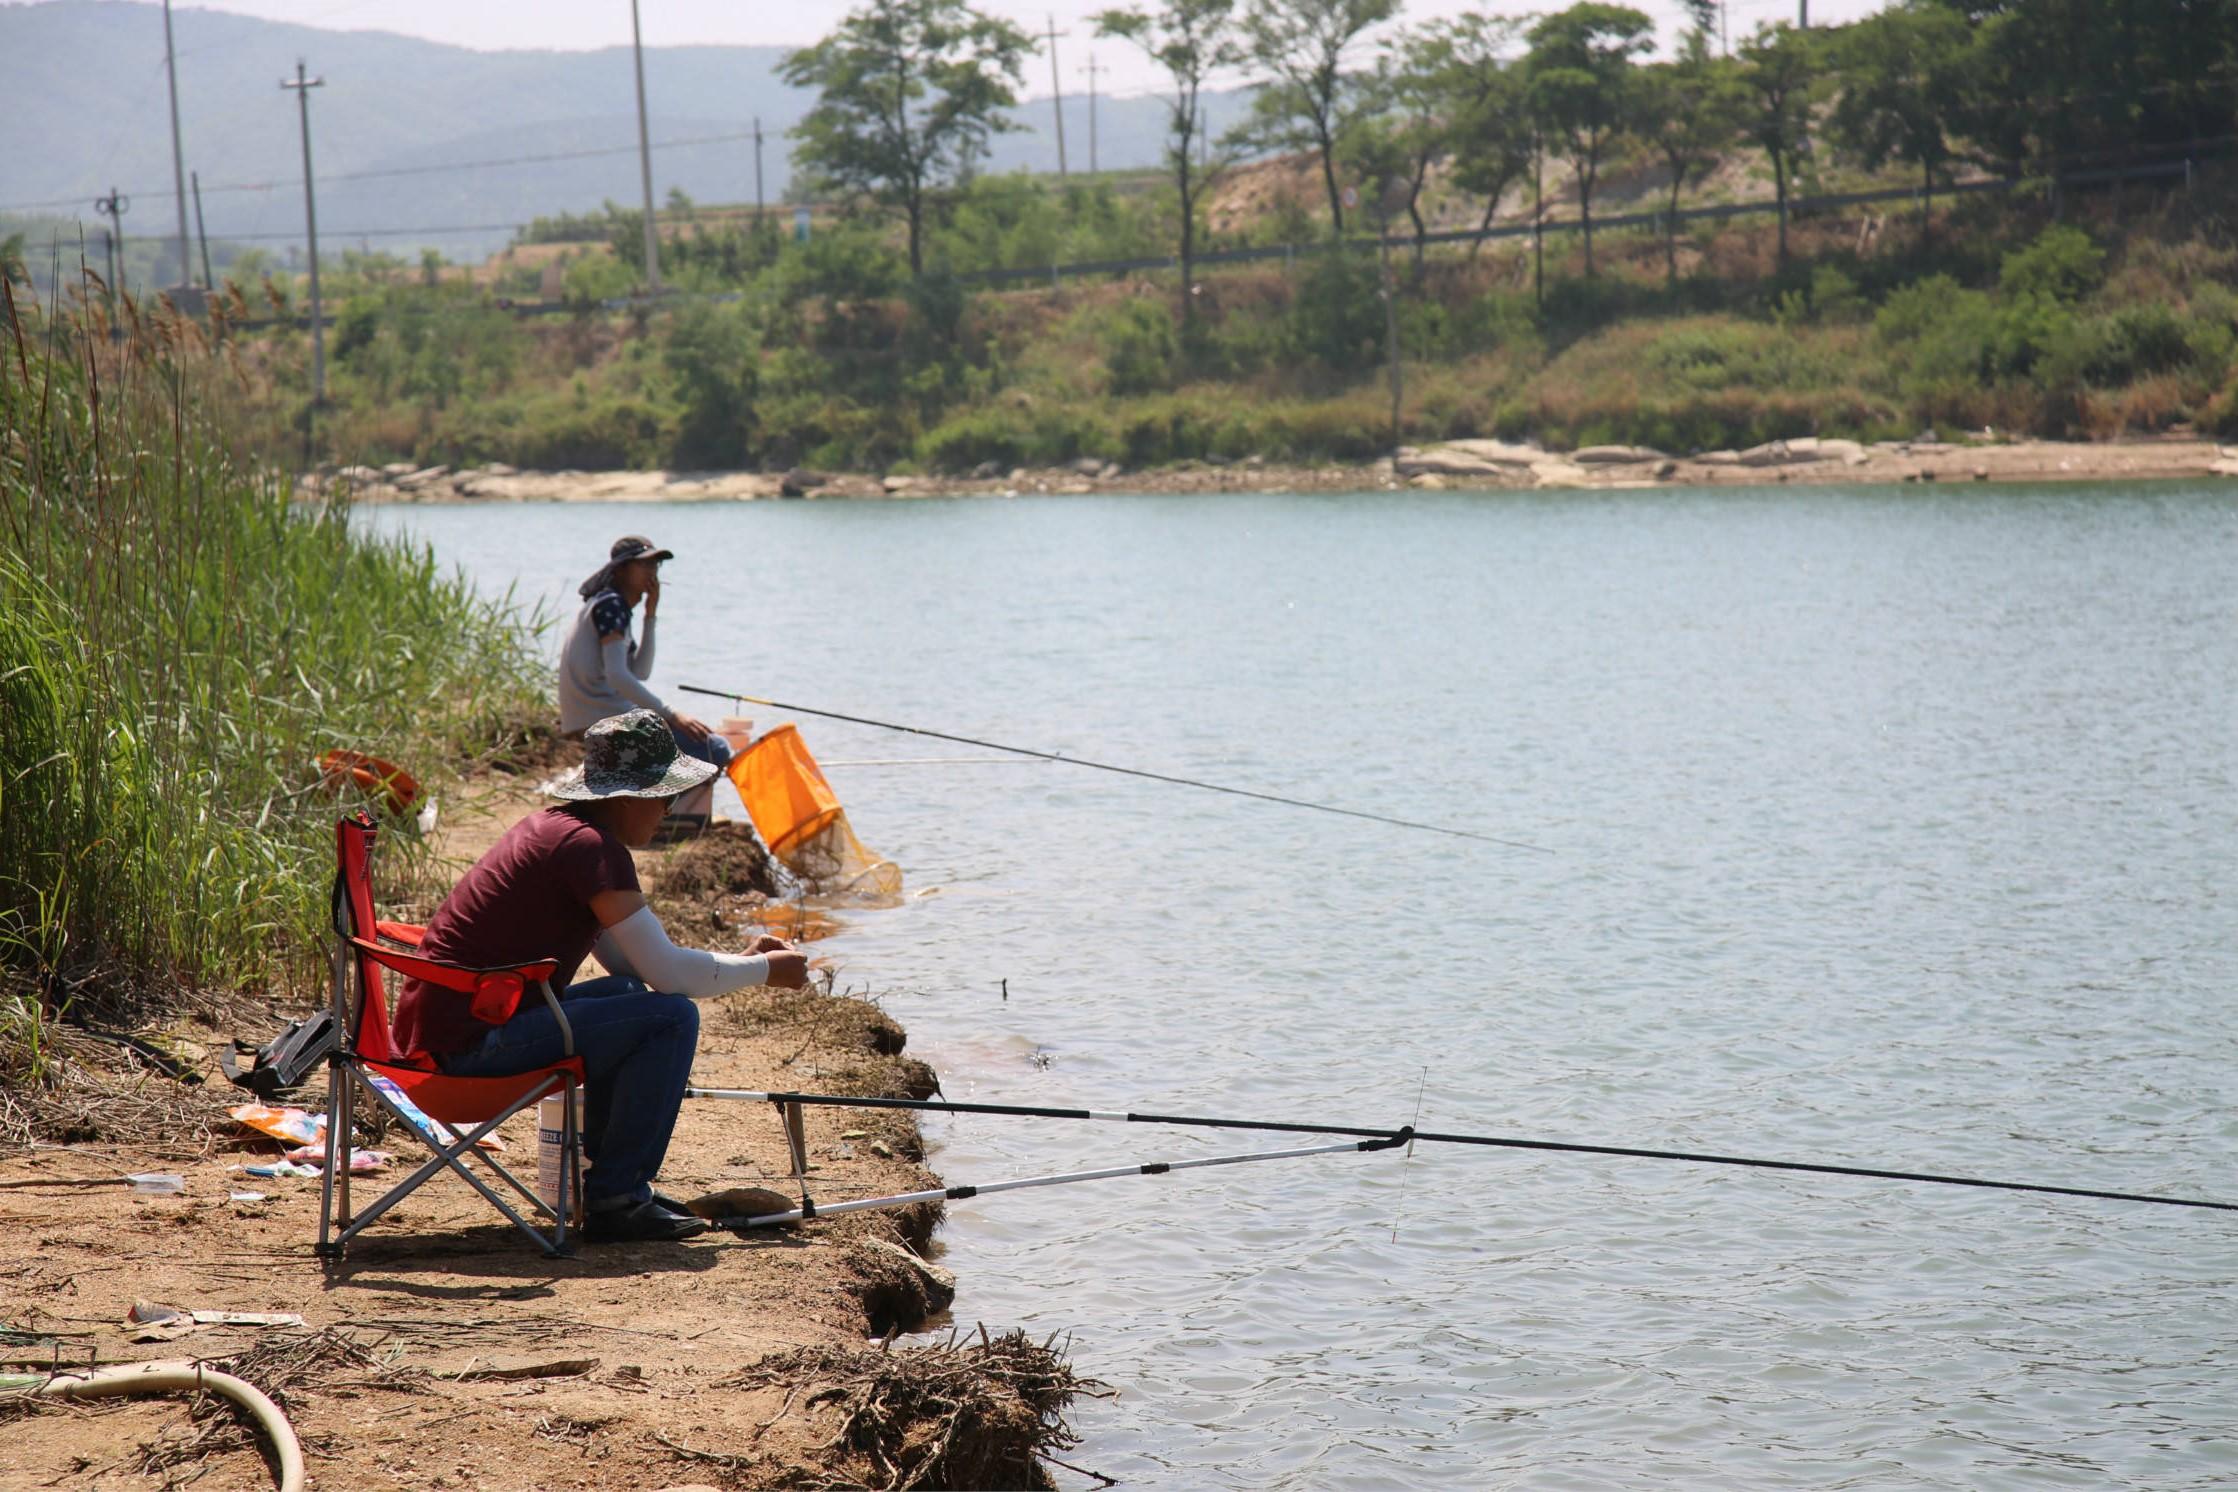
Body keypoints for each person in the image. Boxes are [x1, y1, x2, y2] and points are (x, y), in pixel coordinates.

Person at [389, 710, 809, 1243]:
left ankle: (611, 1184)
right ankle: (617, 1197)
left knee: (631, 996)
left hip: (447, 1033)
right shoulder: (592, 850)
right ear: (627, 797)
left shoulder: (557, 830)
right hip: (463, 1053)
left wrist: (741, 958)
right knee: (671, 1019)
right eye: (665, 795)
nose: (668, 809)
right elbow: (670, 977)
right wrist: (766, 970)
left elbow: (639, 968)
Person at [560, 535, 729, 824]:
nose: (653, 572)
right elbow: (617, 676)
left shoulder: (610, 605)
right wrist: (672, 715)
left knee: (699, 746)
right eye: (645, 565)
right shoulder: (611, 605)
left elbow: (639, 672)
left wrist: (651, 614)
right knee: (714, 749)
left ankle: (655, 811)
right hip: (601, 718)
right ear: (622, 569)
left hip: (593, 714)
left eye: (656, 565)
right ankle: (666, 818)